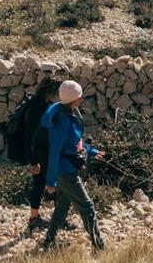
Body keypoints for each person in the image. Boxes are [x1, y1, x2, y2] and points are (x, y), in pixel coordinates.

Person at [40, 80, 105, 251]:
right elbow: (55, 151)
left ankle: (48, 242)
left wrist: (90, 151)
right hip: (66, 172)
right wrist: (50, 181)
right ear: (73, 99)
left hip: (65, 168)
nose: (81, 99)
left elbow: (74, 142)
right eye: (79, 96)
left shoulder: (68, 113)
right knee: (87, 206)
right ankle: (99, 247)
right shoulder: (64, 121)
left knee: (62, 207)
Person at [24, 79, 64, 237]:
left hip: (45, 153)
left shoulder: (43, 105)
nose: (58, 95)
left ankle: (39, 217)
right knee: (44, 184)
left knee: (43, 184)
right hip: (41, 155)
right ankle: (43, 218)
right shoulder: (36, 109)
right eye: (56, 92)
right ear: (50, 92)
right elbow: (28, 137)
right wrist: (33, 161)